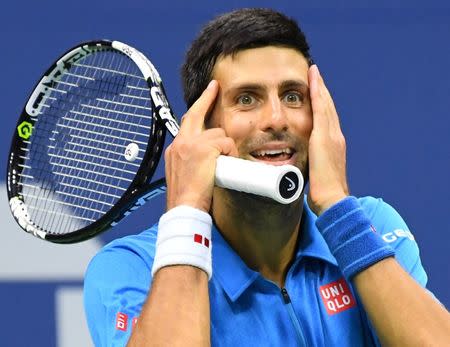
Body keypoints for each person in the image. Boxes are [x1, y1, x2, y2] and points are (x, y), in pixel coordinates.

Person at [84, 8, 450, 346]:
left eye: (293, 96)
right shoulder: (130, 268)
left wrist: (338, 206)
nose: (277, 118)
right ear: (201, 128)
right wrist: (187, 209)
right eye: (246, 99)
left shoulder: (369, 226)